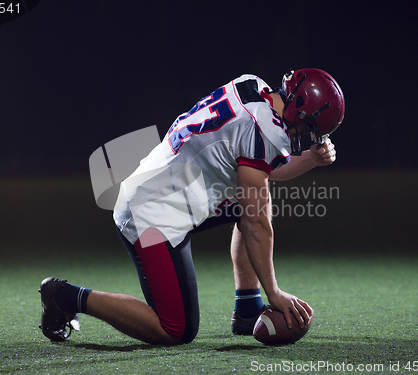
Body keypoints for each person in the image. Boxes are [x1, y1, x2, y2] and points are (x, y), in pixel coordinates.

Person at [39, 68, 345, 344]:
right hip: (149, 213)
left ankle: (248, 310)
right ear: (299, 110)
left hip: (163, 189)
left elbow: (261, 169)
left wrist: (311, 160)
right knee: (176, 329)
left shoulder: (252, 86)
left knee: (248, 203)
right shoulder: (263, 131)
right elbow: (256, 224)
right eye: (309, 130)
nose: (304, 139)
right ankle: (65, 296)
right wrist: (275, 293)